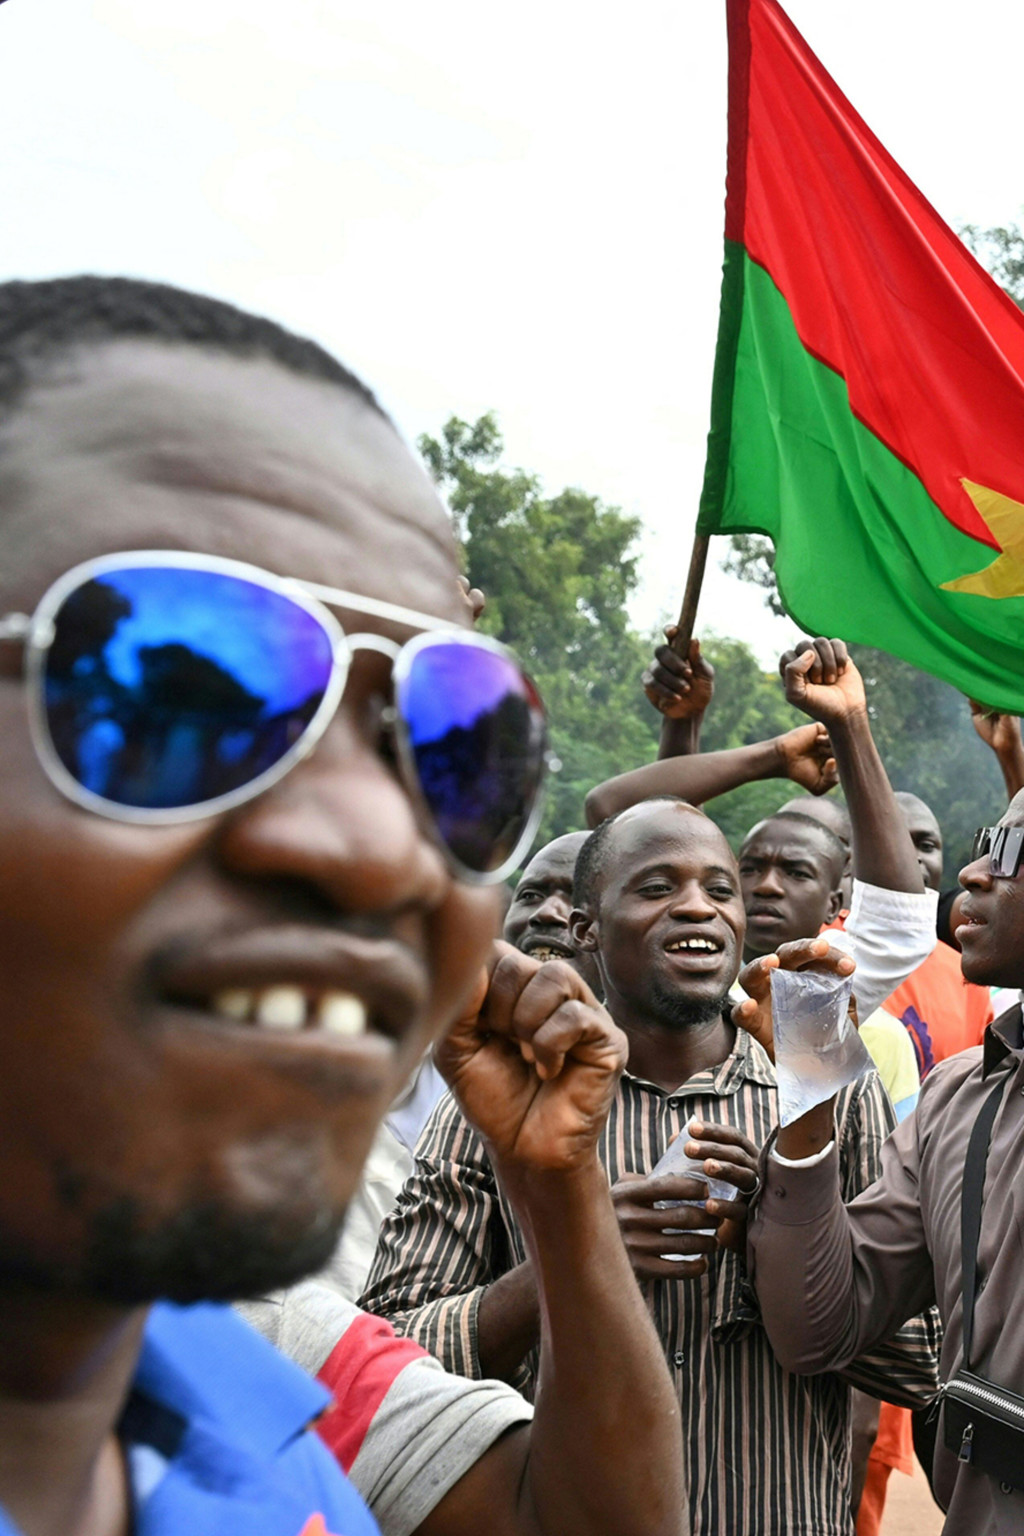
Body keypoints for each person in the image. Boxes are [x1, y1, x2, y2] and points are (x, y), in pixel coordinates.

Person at [0, 274, 682, 1536]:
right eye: (176, 697)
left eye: (457, 746)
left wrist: (559, 1188)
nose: (384, 849)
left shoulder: (250, 1399)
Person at [362, 792, 941, 1536]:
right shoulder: (506, 1098)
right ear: (585, 929)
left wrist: (788, 1237)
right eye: (657, 887)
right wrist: (579, 1254)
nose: (699, 908)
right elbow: (388, 1358)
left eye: (719, 889)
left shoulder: (825, 1082)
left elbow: (917, 1364)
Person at [744, 794, 1024, 1531]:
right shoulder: (959, 1098)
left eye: (1013, 853)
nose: (973, 872)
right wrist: (808, 1082)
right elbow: (818, 1328)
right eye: (985, 841)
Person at [327, 830, 597, 1302]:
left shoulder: (658, 1079)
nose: (547, 912)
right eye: (531, 894)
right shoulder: (409, 1026)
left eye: (574, 899)